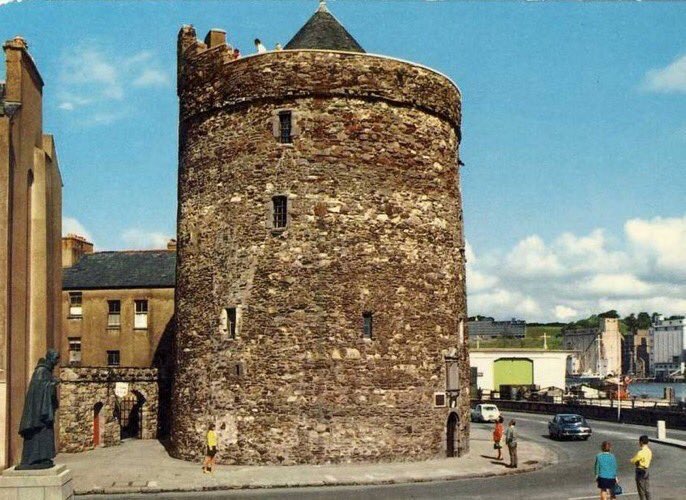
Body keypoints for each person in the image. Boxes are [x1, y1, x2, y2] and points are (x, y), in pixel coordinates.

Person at [17, 349, 60, 470]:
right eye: (55, 359)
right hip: (38, 413)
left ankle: (42, 458)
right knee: (38, 435)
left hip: (43, 412)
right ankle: (32, 459)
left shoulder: (46, 371)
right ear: (50, 358)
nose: (56, 363)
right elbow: (39, 391)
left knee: (45, 434)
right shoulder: (41, 371)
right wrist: (52, 384)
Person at [630, 435, 652, 500]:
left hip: (640, 470)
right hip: (646, 470)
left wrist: (631, 460)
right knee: (647, 489)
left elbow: (633, 460)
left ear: (641, 442)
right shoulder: (649, 451)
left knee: (641, 490)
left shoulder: (640, 452)